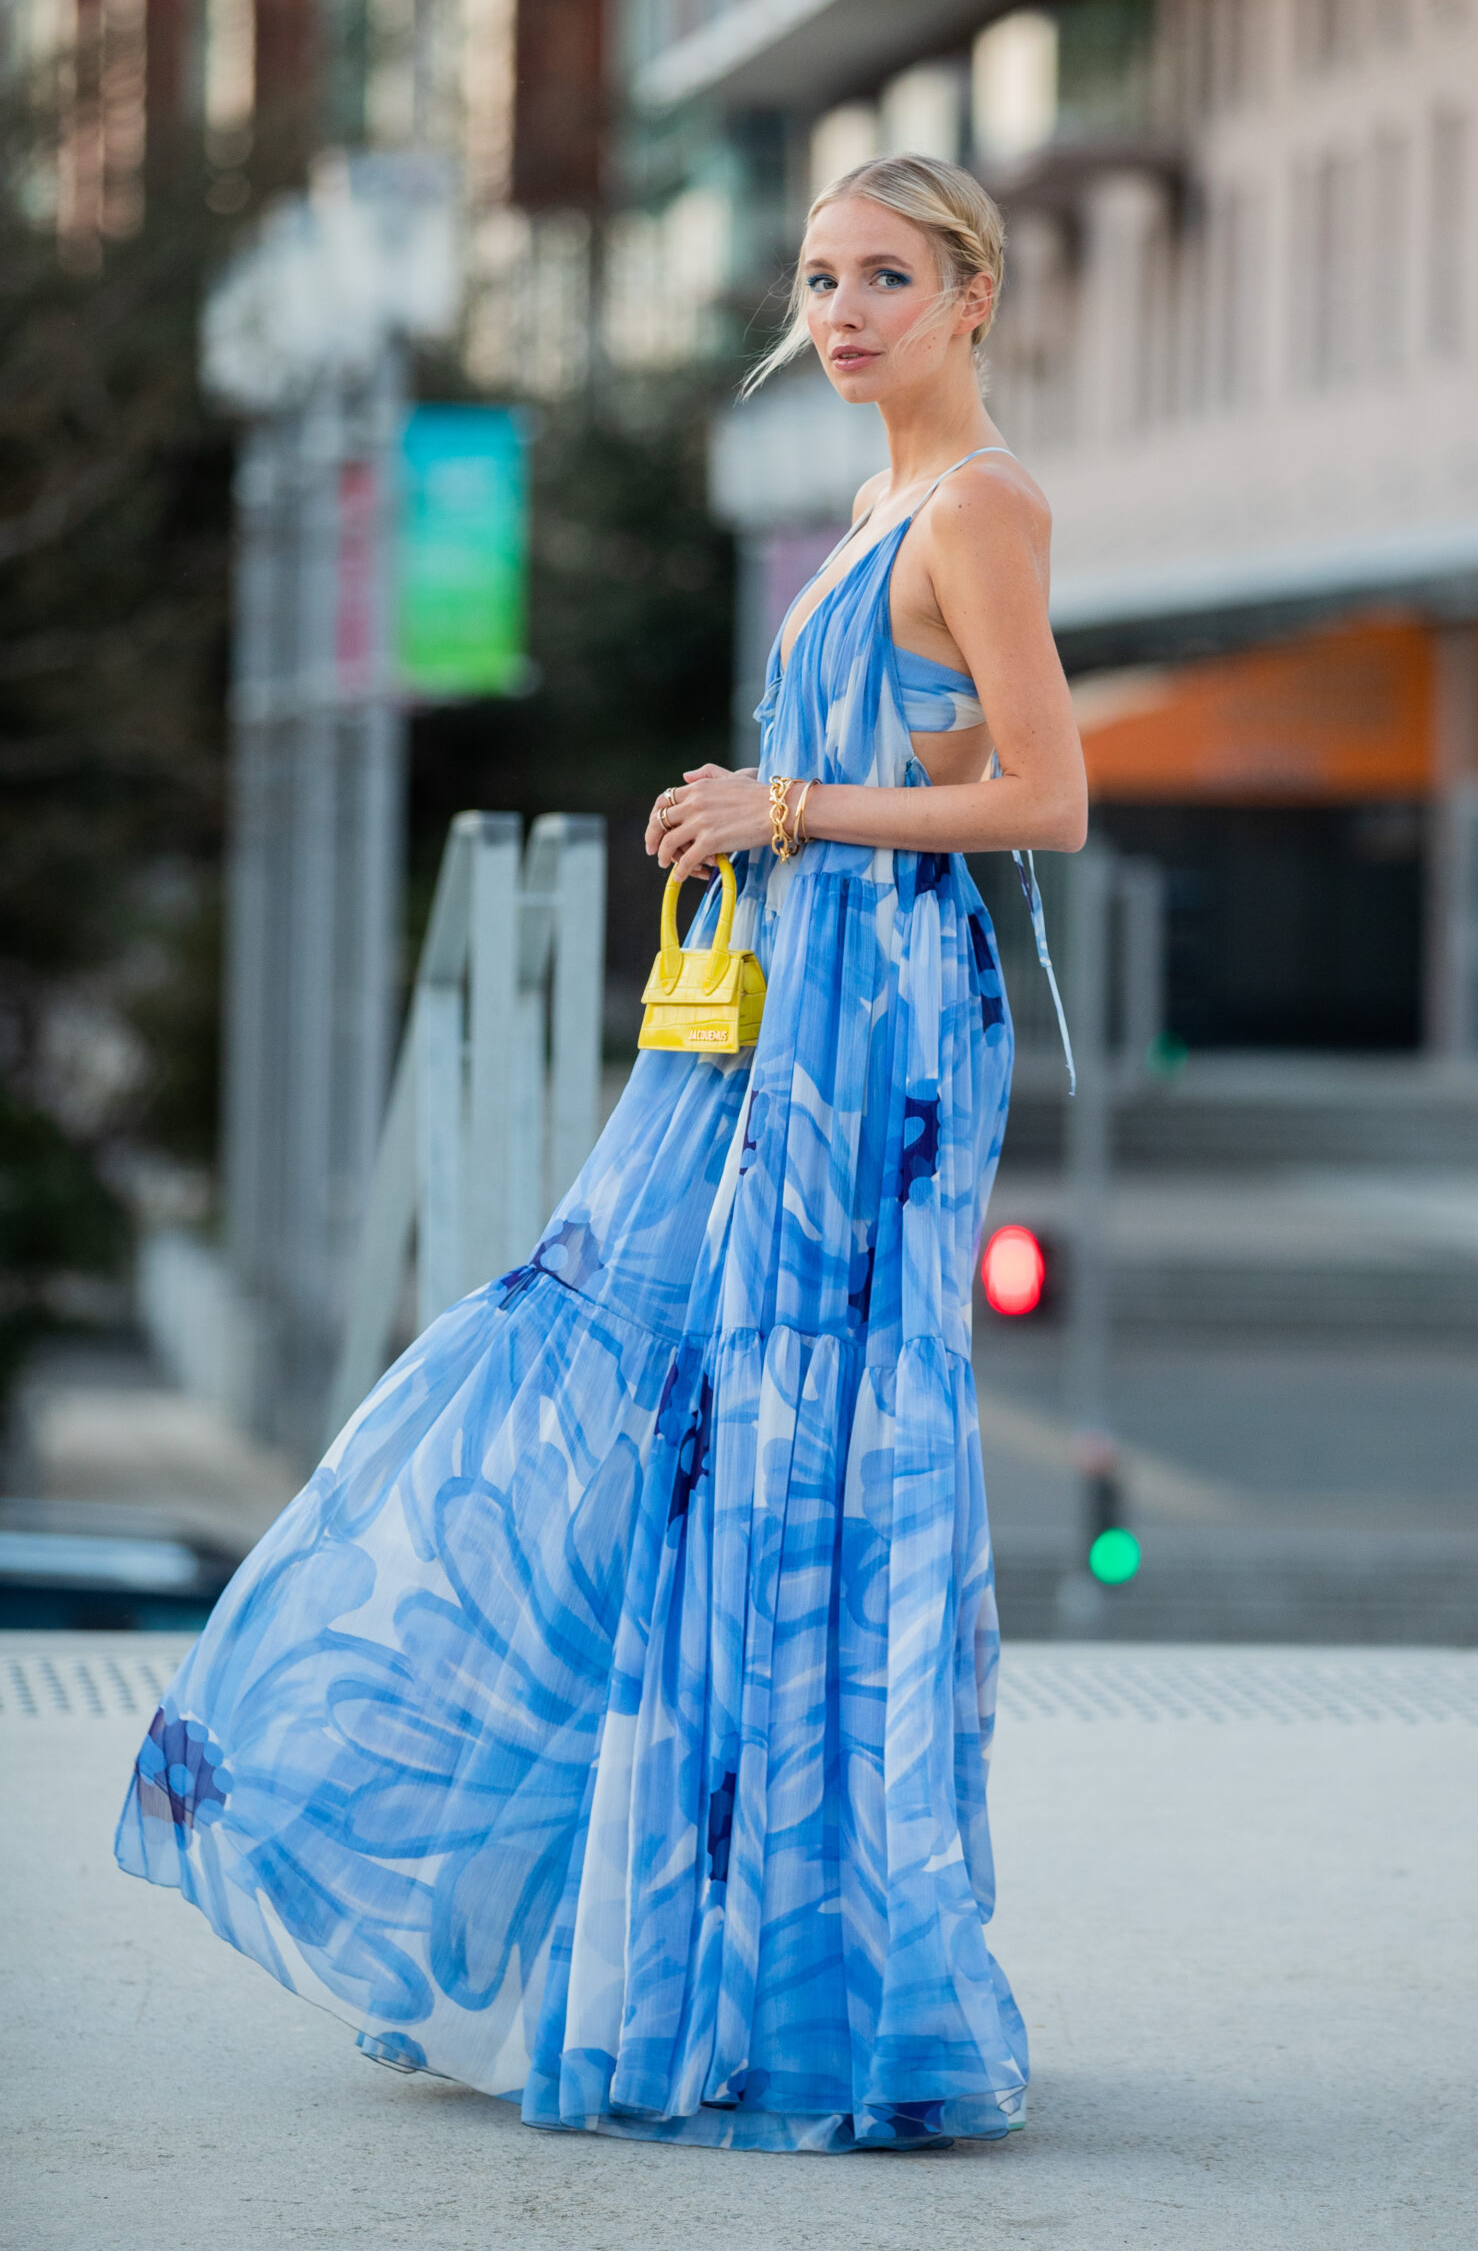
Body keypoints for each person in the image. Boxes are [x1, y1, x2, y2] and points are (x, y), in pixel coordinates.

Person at [115, 154, 1088, 2154]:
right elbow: (855, 778)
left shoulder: (981, 504)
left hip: (882, 1032)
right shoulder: (874, 509)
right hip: (789, 1005)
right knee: (698, 1420)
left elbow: (1048, 795)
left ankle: (798, 1973)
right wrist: (738, 822)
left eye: (884, 277)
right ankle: (679, 1937)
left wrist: (787, 803)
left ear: (970, 294)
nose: (840, 312)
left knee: (803, 1444)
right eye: (819, 277)